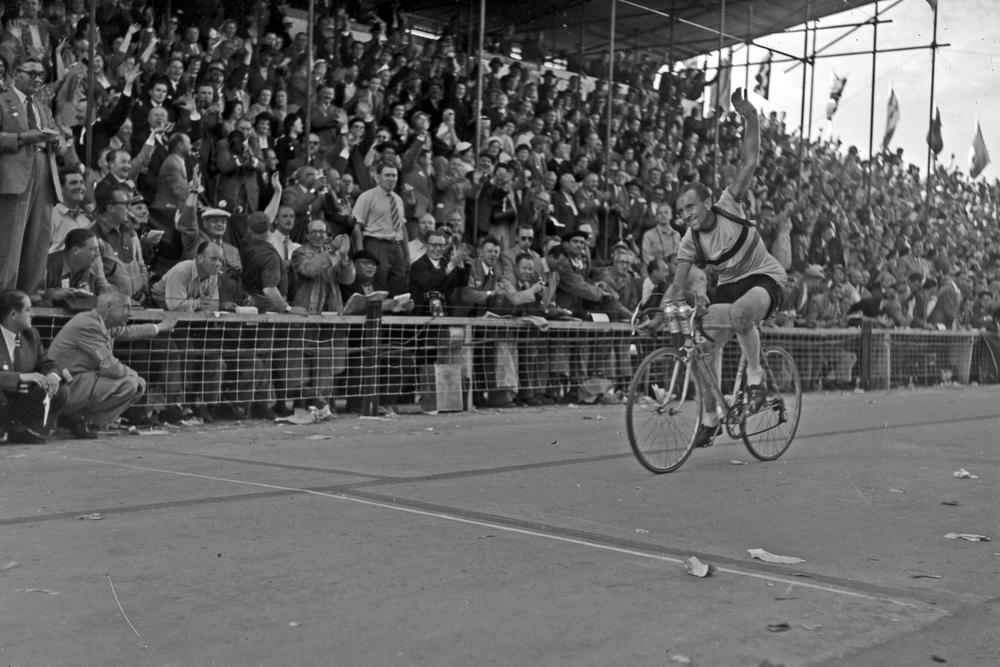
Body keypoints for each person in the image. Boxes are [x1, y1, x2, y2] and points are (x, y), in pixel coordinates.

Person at [662, 88, 786, 448]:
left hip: (764, 276)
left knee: (741, 313)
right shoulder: (690, 239)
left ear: (707, 202)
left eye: (691, 208)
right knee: (698, 345)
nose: (687, 216)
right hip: (731, 284)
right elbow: (678, 282)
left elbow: (749, 161)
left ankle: (755, 376)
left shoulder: (729, 203)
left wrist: (750, 118)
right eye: (682, 212)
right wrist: (664, 308)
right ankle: (712, 415)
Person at [47, 290, 176, 437]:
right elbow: (110, 367)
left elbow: (130, 332)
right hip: (64, 385)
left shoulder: (103, 323)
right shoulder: (90, 325)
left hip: (75, 381)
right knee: (131, 384)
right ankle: (77, 419)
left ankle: (78, 420)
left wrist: (159, 327)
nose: (130, 313)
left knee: (136, 383)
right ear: (109, 306)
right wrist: (133, 374)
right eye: (126, 307)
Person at [0, 56, 63, 294]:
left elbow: (56, 136)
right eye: (32, 73)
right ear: (16, 73)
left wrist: (59, 141)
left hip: (45, 170)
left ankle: (29, 292)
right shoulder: (3, 101)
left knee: (38, 235)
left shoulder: (43, 108)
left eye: (41, 75)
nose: (38, 78)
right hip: (14, 173)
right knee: (11, 236)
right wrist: (24, 138)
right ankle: (5, 294)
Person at [0, 290, 68, 443]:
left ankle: (18, 429)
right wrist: (20, 378)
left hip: (16, 402)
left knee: (61, 390)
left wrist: (52, 376)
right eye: (28, 310)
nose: (33, 314)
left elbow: (47, 363)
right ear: (13, 314)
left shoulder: (31, 335)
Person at [352, 161, 410, 295]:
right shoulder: (367, 197)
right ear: (378, 177)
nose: (391, 179)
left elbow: (402, 227)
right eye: (387, 175)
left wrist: (406, 254)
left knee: (398, 283)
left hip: (396, 246)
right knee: (379, 282)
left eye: (394, 176)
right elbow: (356, 226)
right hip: (376, 244)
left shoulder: (398, 199)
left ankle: (394, 314)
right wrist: (361, 253)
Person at [409, 229, 471, 315]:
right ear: (426, 245)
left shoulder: (446, 263)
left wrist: (460, 264)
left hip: (446, 314)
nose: (438, 248)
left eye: (441, 245)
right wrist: (451, 265)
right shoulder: (417, 265)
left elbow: (460, 283)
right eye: (434, 245)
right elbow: (430, 283)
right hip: (423, 315)